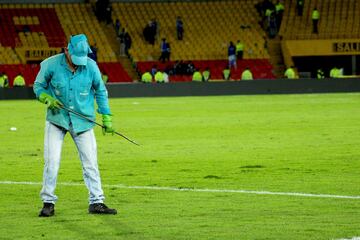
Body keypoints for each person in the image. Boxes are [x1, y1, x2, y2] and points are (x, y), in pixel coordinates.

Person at [33, 34, 117, 217]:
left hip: (83, 121)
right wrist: (46, 97)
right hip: (57, 119)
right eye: (76, 58)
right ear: (66, 50)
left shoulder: (91, 66)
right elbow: (38, 86)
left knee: (90, 163)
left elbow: (101, 91)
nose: (80, 62)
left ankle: (97, 202)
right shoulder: (50, 64)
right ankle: (48, 202)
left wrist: (106, 117)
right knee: (52, 162)